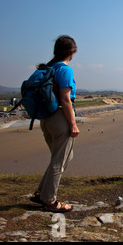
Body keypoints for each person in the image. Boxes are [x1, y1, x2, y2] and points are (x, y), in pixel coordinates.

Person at [30, 35, 80, 213]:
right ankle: (50, 201)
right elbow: (66, 99)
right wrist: (73, 124)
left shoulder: (48, 68)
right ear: (72, 52)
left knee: (63, 157)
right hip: (60, 118)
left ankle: (41, 193)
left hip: (46, 119)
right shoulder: (65, 70)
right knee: (59, 161)